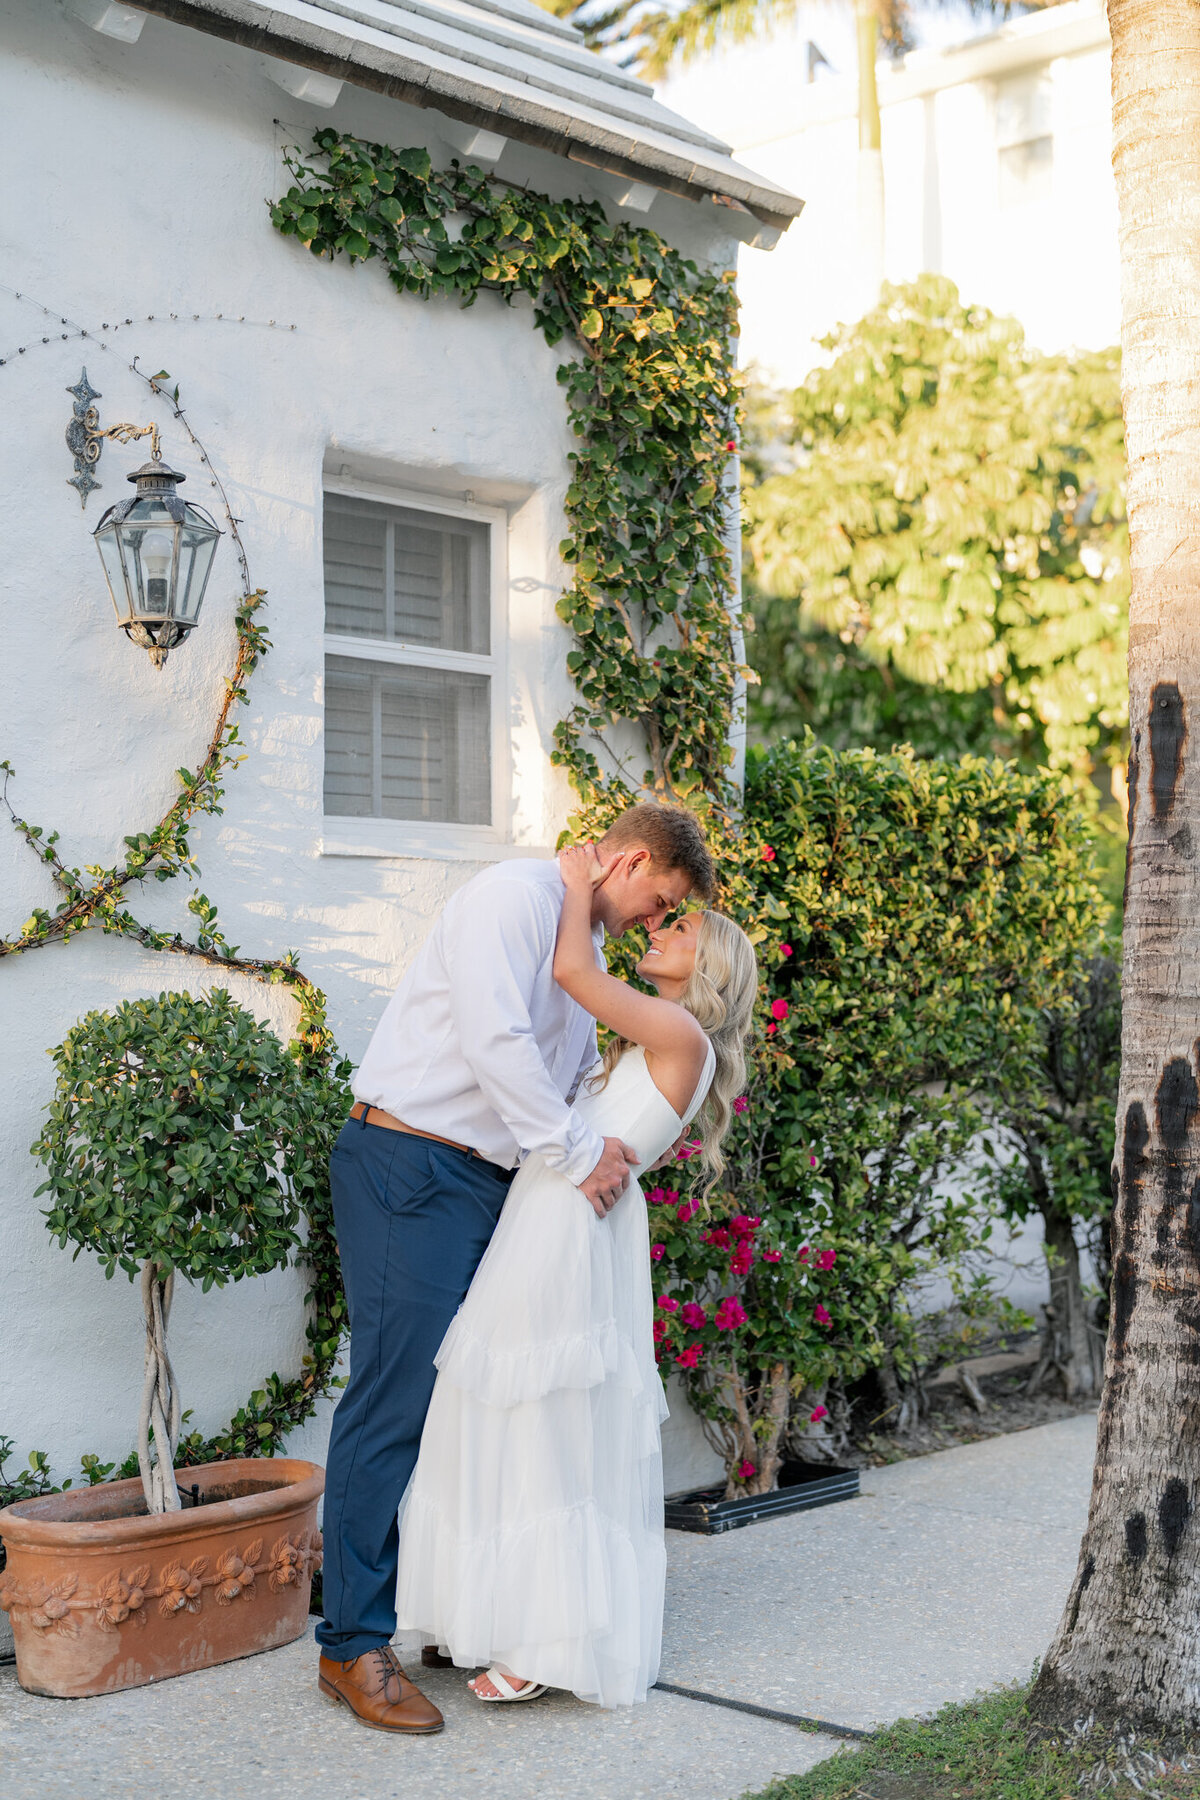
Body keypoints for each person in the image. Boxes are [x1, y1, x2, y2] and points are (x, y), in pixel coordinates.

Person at [316, 804, 716, 1735]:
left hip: (478, 1185)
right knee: (393, 1401)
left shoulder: (588, 948)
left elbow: (569, 1076)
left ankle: (444, 1616)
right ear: (626, 858)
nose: (653, 921)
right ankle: (350, 1648)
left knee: (456, 1406)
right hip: (411, 1165)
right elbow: (498, 1042)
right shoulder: (513, 900)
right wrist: (580, 1155)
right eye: (658, 899)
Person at [392, 842, 758, 1709]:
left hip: (570, 1231)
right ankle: (486, 1613)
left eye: (681, 925)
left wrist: (569, 881)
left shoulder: (679, 1034)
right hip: (548, 1217)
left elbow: (566, 969)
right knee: (493, 1409)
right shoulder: (639, 1041)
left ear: (709, 965)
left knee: (545, 1423)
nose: (659, 928)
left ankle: (545, 1642)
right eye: (663, 912)